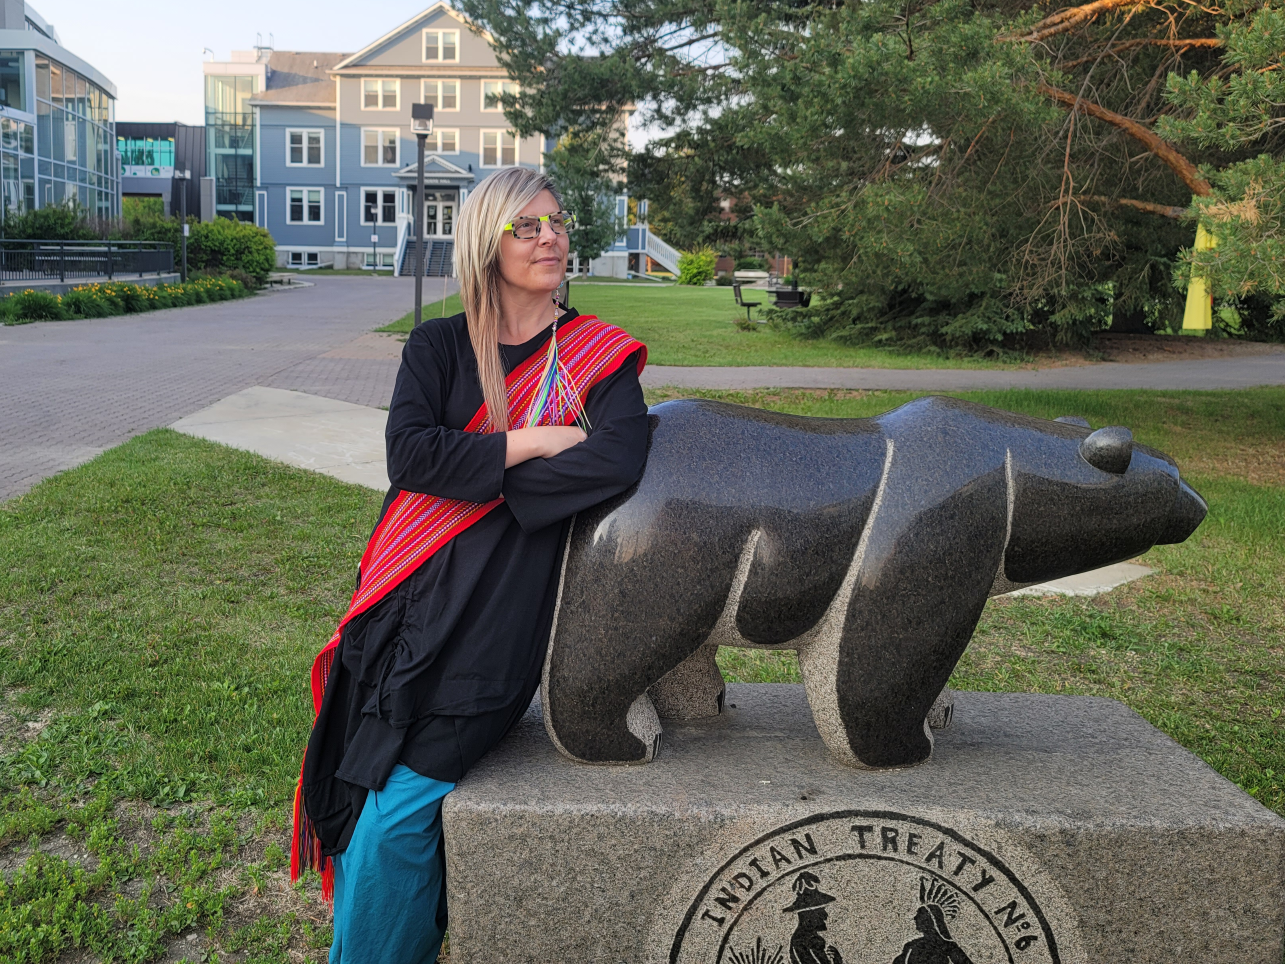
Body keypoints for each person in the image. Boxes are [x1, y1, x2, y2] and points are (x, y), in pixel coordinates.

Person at [289, 166, 649, 964]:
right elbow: (410, 456)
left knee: (395, 812)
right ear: (487, 241)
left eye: (556, 223)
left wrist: (482, 475)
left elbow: (617, 460)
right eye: (527, 226)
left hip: (496, 619)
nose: (550, 237)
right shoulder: (440, 345)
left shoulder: (597, 358)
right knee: (354, 784)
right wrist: (536, 441)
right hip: (402, 599)